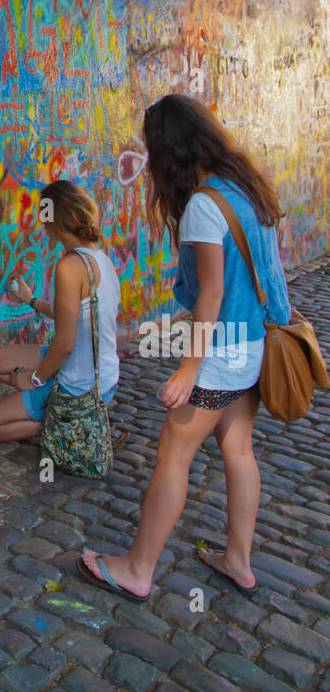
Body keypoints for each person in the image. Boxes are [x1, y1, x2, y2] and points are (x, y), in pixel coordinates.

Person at [78, 94, 291, 601]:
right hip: (253, 345)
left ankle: (137, 568)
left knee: (173, 455)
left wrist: (188, 370)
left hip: (217, 357)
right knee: (239, 449)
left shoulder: (203, 206)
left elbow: (213, 294)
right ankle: (237, 559)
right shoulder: (245, 186)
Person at [0, 180, 120, 443]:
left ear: (54, 220)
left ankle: (70, 424)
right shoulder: (99, 256)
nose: (40, 224)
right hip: (101, 376)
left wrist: (37, 379)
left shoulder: (69, 266)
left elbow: (64, 344)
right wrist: (30, 301)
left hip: (79, 386)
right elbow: (71, 314)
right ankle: (70, 416)